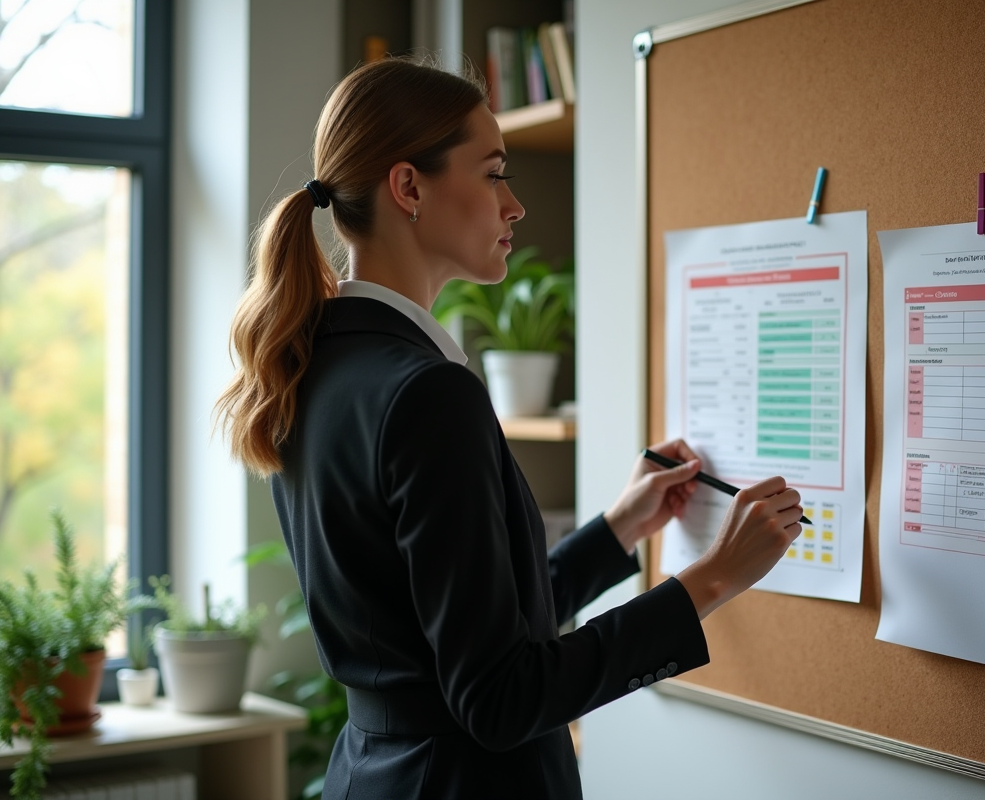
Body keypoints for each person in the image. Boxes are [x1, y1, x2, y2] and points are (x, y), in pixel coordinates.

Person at [216, 56, 803, 800]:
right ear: (408, 188)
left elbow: (470, 633)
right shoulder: (429, 392)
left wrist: (618, 529)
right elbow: (500, 696)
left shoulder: (315, 362)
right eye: (494, 173)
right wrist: (715, 576)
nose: (514, 205)